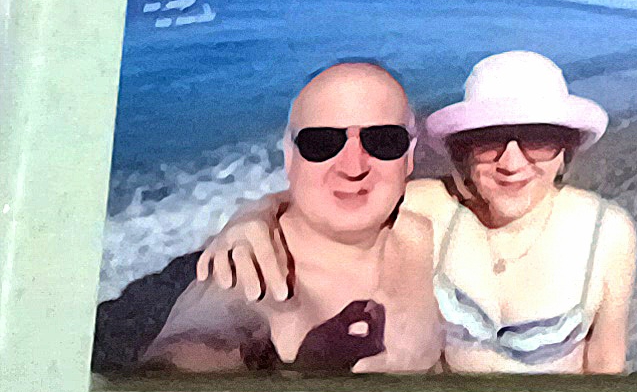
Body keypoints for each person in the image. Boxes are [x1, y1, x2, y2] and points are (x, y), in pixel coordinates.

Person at [193, 50, 637, 375]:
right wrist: (252, 216)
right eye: (489, 141)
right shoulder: (435, 208)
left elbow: (605, 366)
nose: (512, 162)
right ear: (464, 151)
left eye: (538, 139)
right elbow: (342, 190)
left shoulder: (606, 233)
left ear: (566, 149)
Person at [137, 59, 444, 375]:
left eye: (383, 141)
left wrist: (263, 207)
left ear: (409, 156)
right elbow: (196, 347)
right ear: (289, 156)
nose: (353, 167)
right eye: (322, 143)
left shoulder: (435, 225)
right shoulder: (252, 271)